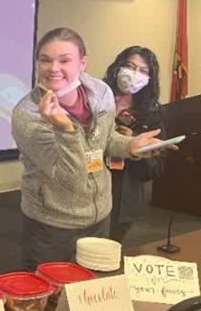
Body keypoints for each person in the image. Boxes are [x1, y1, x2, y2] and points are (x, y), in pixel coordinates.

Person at [11, 28, 174, 271]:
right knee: (51, 298)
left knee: (91, 290)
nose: (53, 68)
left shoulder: (100, 93)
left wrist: (130, 145)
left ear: (82, 63)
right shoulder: (29, 115)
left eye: (64, 60)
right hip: (54, 225)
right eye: (45, 60)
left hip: (100, 217)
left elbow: (104, 141)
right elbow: (72, 180)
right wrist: (65, 129)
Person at [104, 46, 165, 243]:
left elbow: (154, 170)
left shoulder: (152, 115)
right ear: (118, 67)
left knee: (106, 253)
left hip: (123, 196)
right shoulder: (96, 97)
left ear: (150, 78)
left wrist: (135, 147)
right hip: (87, 189)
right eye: (130, 66)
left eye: (143, 70)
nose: (134, 74)